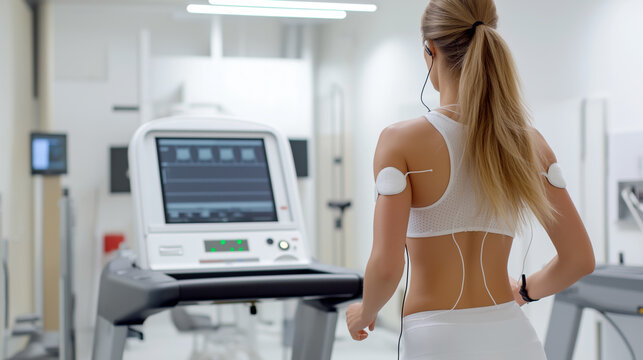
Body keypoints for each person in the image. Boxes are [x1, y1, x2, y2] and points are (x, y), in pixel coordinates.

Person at [345, 0, 596, 358]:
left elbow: (387, 265)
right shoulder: (528, 142)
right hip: (514, 337)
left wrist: (365, 312)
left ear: (429, 50)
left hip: (437, 340)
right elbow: (579, 259)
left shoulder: (400, 140)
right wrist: (525, 291)